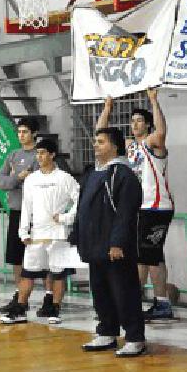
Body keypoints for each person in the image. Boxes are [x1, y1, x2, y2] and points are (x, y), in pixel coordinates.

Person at [96, 89, 176, 320]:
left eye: (140, 120)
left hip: (156, 206)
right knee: (149, 255)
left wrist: (153, 100)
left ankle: (135, 303)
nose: (134, 124)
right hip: (138, 208)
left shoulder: (151, 143)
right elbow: (102, 134)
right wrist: (108, 108)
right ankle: (156, 302)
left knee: (144, 256)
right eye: (132, 121)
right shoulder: (128, 147)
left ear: (147, 124)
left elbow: (161, 132)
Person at [68, 127, 147, 357]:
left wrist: (117, 243)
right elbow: (82, 209)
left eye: (100, 142)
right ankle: (107, 332)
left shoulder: (123, 176)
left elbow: (125, 214)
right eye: (95, 141)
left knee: (125, 292)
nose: (95, 145)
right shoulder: (93, 173)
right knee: (100, 291)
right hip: (94, 246)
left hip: (115, 249)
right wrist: (77, 235)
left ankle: (134, 337)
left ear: (114, 146)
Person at [1, 139, 80, 325]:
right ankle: (20, 309)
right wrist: (23, 231)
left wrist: (66, 218)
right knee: (27, 273)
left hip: (58, 234)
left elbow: (80, 200)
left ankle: (55, 308)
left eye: (43, 153)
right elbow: (26, 206)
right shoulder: (31, 179)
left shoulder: (65, 178)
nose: (39, 156)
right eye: (38, 153)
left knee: (58, 273)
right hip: (36, 235)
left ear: (52, 155)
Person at [0, 117, 58, 319]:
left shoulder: (40, 155)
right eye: (19, 132)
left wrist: (25, 177)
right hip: (16, 211)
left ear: (34, 133)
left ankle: (50, 296)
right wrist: (17, 177)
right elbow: (1, 181)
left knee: (43, 257)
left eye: (24, 132)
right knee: (16, 257)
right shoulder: (13, 154)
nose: (21, 135)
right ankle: (19, 295)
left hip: (37, 215)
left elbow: (40, 179)